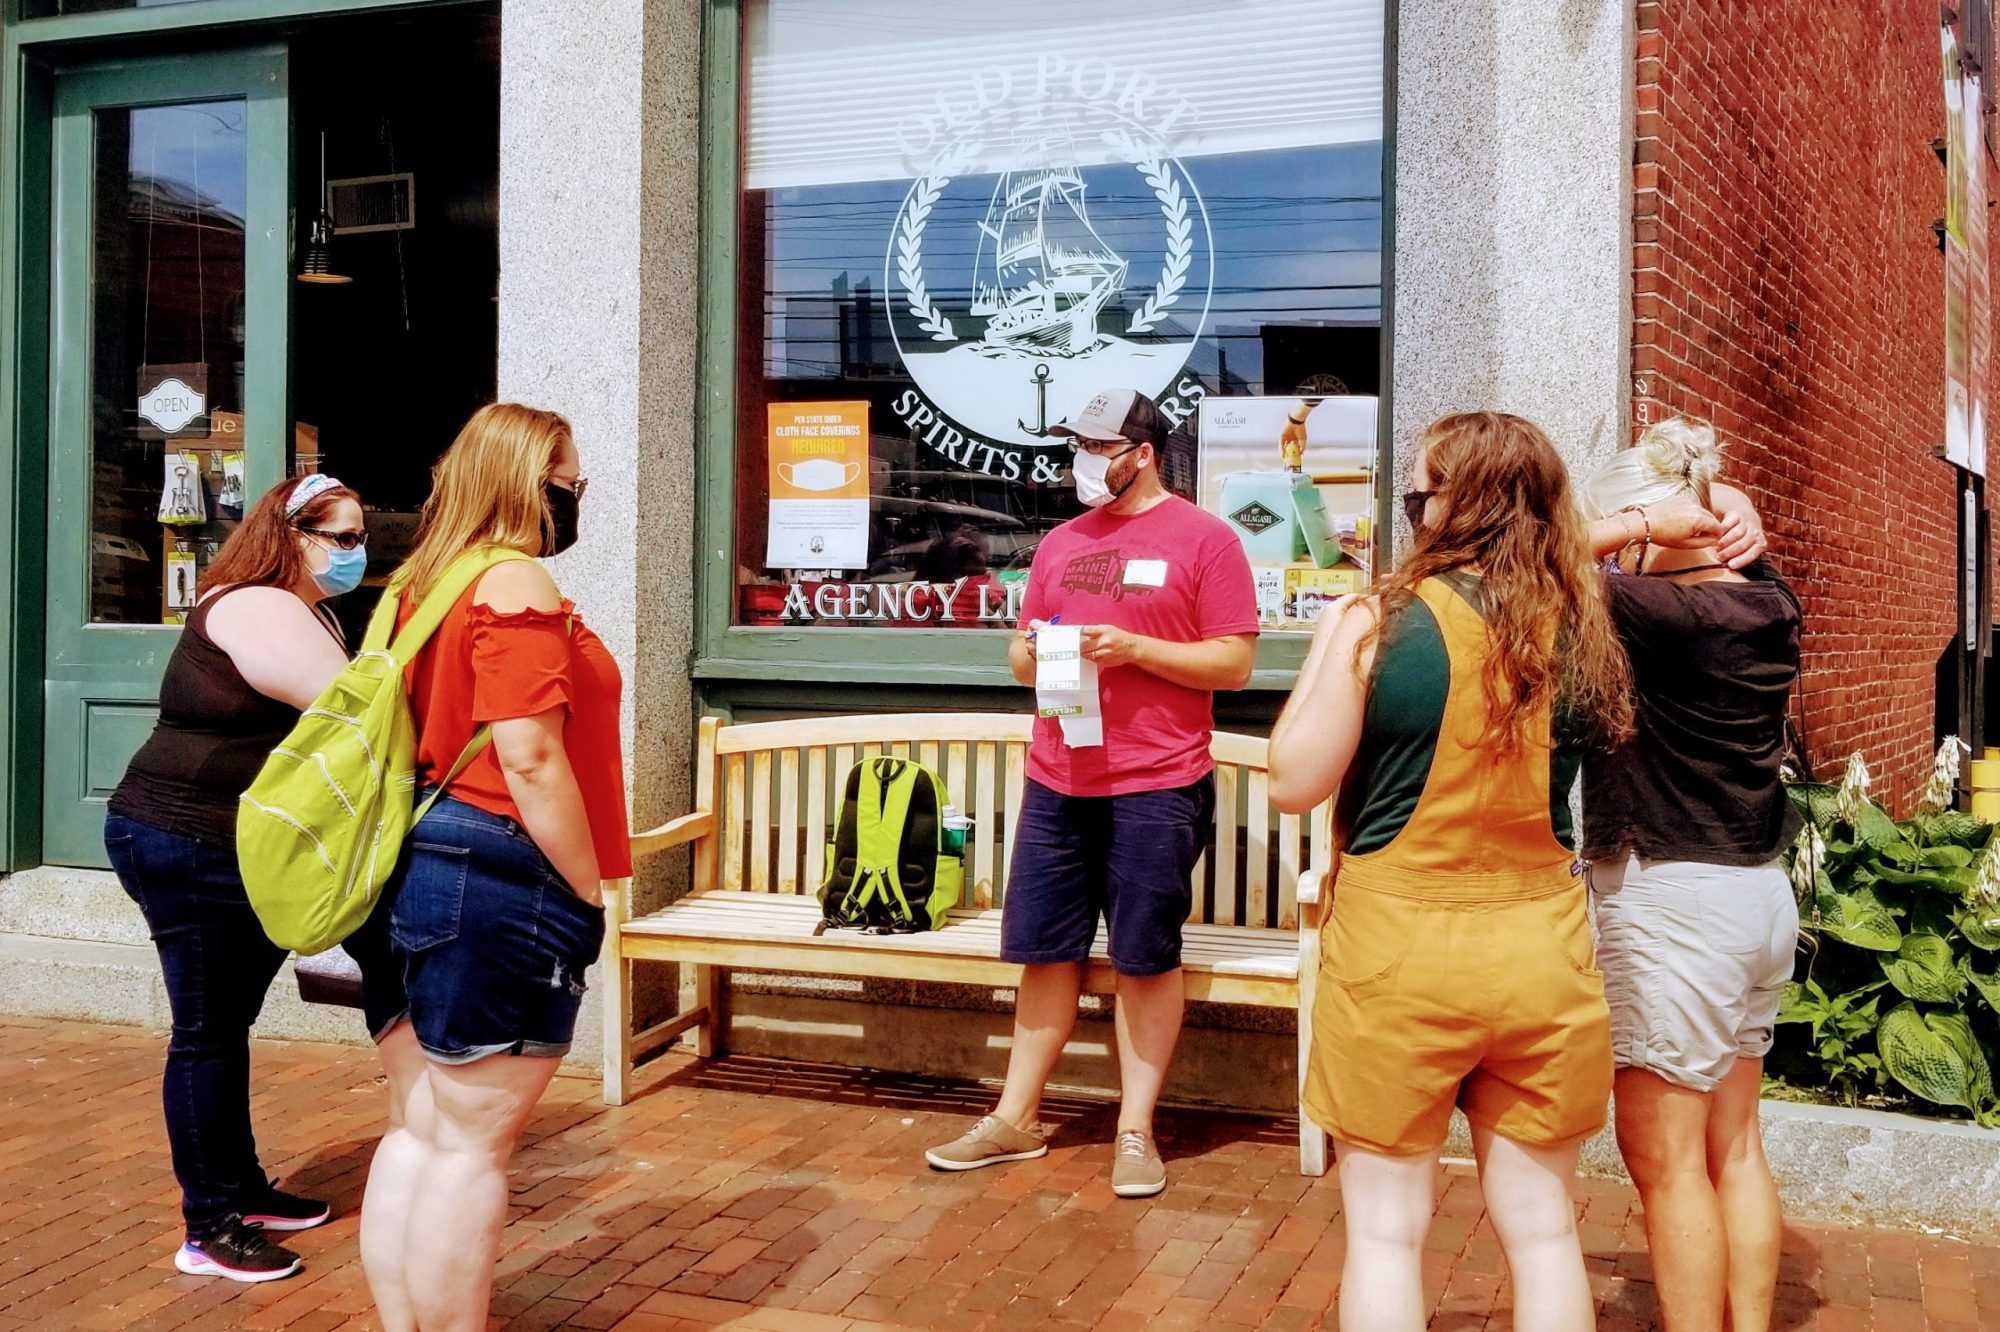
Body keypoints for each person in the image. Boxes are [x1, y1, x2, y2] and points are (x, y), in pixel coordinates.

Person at [1268, 412, 1632, 1331]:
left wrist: (1335, 635)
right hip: (1542, 956)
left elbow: (1292, 781)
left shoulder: (1377, 620)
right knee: (1545, 1230)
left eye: (1417, 492)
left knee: (1388, 1235)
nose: (1409, 510)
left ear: (1451, 505)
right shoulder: (1581, 627)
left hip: (1400, 959)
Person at [924, 387, 1258, 1198]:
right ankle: (1014, 1118)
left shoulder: (1206, 540)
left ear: (1139, 453)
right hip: (1058, 776)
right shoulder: (1061, 543)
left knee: (1145, 957)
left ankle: (1135, 1129)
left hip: (1157, 780)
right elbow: (1018, 656)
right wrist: (1038, 657)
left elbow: (1235, 664)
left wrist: (1134, 648)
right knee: (1044, 950)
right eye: (1071, 442)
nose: (1076, 458)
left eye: (1092, 445)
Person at [352, 403, 629, 1332]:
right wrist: (587, 889)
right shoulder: (515, 582)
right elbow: (531, 756)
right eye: (571, 481)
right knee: (473, 1150)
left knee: (420, 1131)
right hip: (501, 871)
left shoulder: (413, 585)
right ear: (529, 481)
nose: (576, 496)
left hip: (416, 865)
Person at [104, 474, 367, 1282]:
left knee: (225, 1025)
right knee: (208, 1031)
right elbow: (347, 705)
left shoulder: (304, 604)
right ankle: (208, 1226)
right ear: (293, 532)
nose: (359, 554)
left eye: (363, 539)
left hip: (230, 844)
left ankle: (242, 1189)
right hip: (184, 838)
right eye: (344, 539)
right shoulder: (255, 604)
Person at [1579, 418, 1800, 1332]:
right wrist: (1723, 507)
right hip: (1757, 895)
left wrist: (1637, 523)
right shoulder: (1770, 603)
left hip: (1671, 902)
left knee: (1667, 1166)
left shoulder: (1651, 613)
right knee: (1736, 1146)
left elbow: (1520, 556)